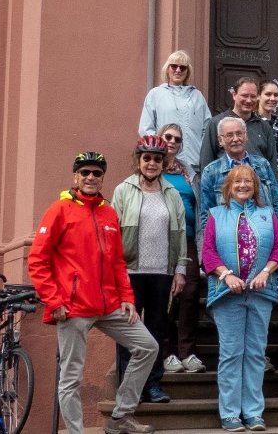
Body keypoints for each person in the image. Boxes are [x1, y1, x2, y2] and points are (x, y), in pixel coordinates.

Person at [28, 151, 158, 434]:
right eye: (85, 172)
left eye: (96, 173)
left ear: (102, 179)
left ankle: (120, 416)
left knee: (148, 347)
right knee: (71, 377)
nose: (90, 177)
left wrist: (127, 298)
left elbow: (117, 262)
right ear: (75, 176)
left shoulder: (108, 212)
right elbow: (37, 260)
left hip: (109, 304)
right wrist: (54, 300)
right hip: (72, 307)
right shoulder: (59, 210)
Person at [201, 164, 278, 432]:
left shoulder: (267, 213)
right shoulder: (216, 214)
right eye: (237, 182)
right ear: (228, 186)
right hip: (228, 294)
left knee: (255, 354)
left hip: (260, 293)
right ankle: (229, 414)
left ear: (255, 186)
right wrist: (227, 275)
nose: (243, 186)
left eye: (248, 181)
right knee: (231, 354)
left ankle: (253, 413)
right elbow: (208, 253)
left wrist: (265, 272)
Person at [112, 136, 190, 404]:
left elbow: (180, 234)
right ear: (138, 160)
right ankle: (129, 389)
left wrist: (180, 269)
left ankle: (153, 385)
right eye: (147, 158)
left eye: (157, 159)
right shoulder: (124, 190)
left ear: (163, 162)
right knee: (128, 333)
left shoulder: (171, 193)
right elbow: (112, 234)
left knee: (157, 330)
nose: (152, 163)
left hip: (162, 273)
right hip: (130, 273)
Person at [159, 125, 208, 375]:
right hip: (160, 241)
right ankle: (167, 353)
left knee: (190, 293)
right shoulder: (152, 169)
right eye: (167, 137)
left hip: (188, 240)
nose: (172, 142)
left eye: (177, 139)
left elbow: (198, 205)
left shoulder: (188, 172)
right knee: (166, 295)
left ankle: (187, 352)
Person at [199, 116, 278, 232]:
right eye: (229, 135)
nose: (235, 139)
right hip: (227, 241)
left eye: (239, 134)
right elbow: (206, 215)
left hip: (264, 237)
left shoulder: (263, 165)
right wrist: (207, 248)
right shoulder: (211, 172)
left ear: (246, 136)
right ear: (220, 141)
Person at [138, 50, 212, 175]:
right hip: (165, 163)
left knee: (190, 194)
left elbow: (208, 127)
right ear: (167, 69)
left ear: (187, 71)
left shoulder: (197, 96)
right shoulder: (156, 94)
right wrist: (158, 152)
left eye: (183, 67)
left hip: (194, 164)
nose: (178, 70)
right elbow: (146, 129)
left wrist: (201, 152)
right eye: (174, 66)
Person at [200, 77, 278, 169]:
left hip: (258, 181)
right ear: (234, 95)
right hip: (225, 182)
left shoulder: (264, 126)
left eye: (253, 96)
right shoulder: (216, 123)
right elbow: (206, 162)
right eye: (244, 95)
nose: (249, 100)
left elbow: (272, 165)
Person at [257, 79, 278, 160]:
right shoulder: (251, 122)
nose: (272, 98)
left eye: (276, 95)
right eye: (268, 94)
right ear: (258, 95)